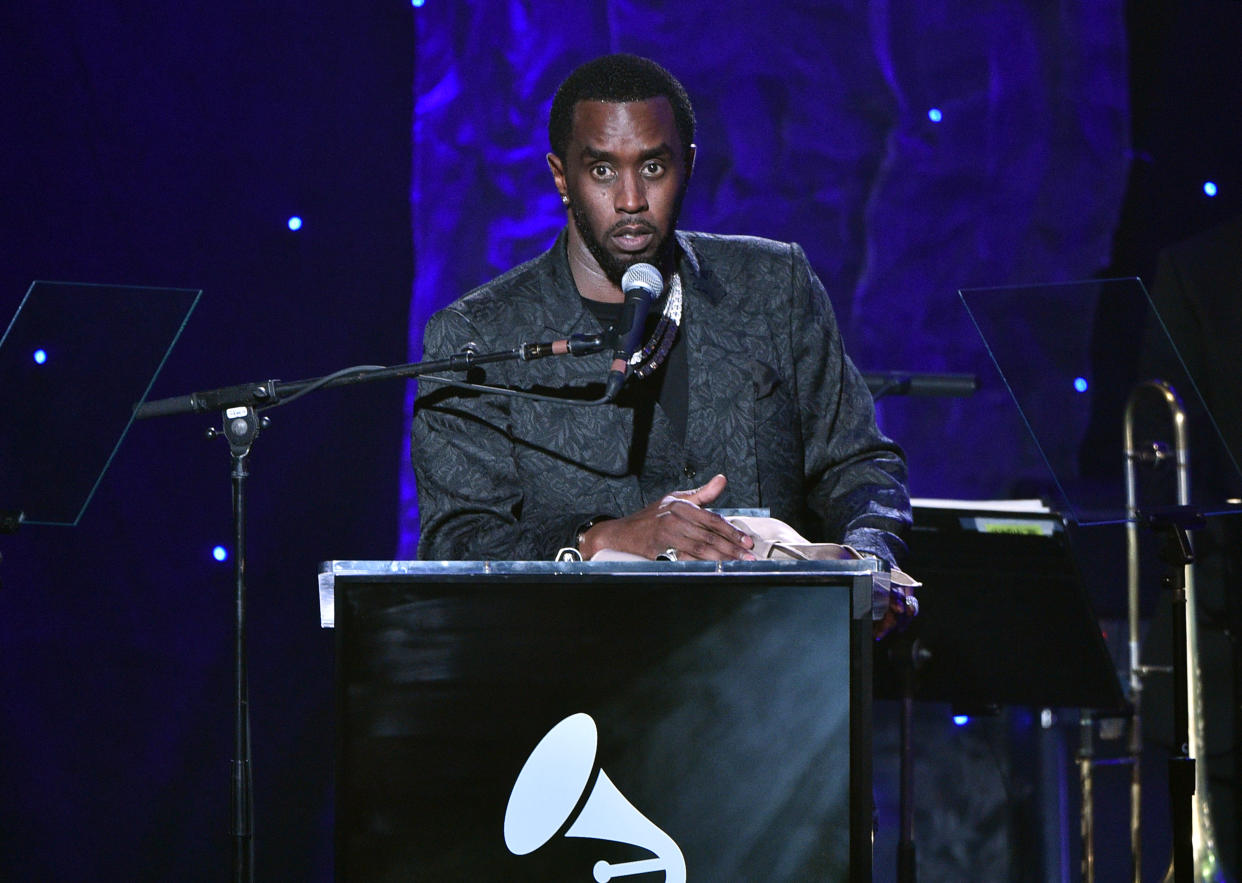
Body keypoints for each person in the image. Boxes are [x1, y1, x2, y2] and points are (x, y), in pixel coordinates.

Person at [411, 54, 912, 626]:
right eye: (602, 171)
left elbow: (859, 465)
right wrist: (599, 539)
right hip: (578, 673)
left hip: (773, 664)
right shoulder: (477, 335)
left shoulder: (775, 286)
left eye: (652, 168)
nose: (630, 201)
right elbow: (458, 544)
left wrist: (868, 564)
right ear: (560, 175)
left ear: (688, 166)